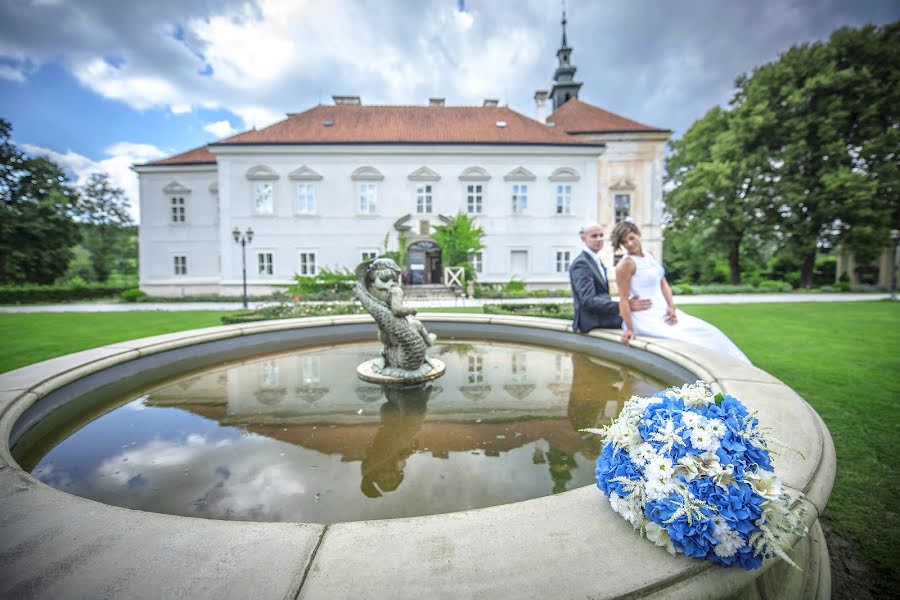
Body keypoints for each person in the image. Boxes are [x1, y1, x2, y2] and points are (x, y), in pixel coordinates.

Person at [611, 220, 751, 364]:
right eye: (624, 242)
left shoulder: (649, 256)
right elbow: (623, 298)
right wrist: (630, 329)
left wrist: (671, 306)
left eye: (631, 238)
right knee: (692, 340)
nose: (629, 244)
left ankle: (740, 366)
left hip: (664, 312)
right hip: (646, 317)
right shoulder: (625, 265)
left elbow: (662, 282)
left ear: (638, 234)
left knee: (709, 331)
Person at [569, 223, 650, 333]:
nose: (599, 239)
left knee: (641, 315)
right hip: (592, 321)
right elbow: (588, 301)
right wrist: (623, 305)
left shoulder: (595, 260)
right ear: (583, 238)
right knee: (638, 319)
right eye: (594, 236)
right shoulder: (582, 263)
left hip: (601, 317)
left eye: (601, 235)